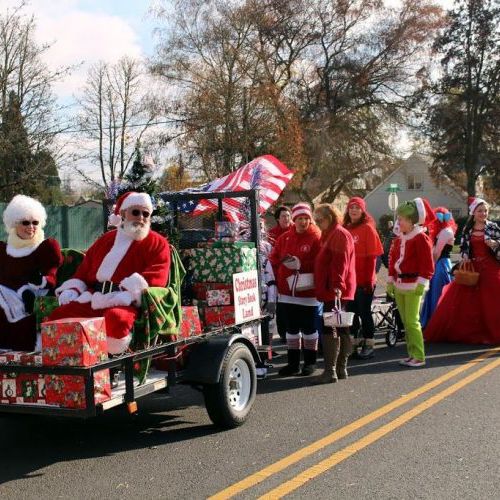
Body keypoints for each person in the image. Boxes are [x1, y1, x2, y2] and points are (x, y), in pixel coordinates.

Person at [48, 192, 171, 354]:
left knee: (117, 319)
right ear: (123, 214)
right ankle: (64, 357)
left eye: (145, 214)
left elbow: (157, 275)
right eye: (135, 212)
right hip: (95, 297)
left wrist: (126, 295)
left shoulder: (157, 242)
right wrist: (73, 289)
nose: (140, 217)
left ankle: (111, 361)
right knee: (61, 315)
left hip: (126, 301)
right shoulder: (105, 240)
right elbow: (84, 270)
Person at [424, 198, 500, 344]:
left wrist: (495, 244)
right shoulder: (468, 229)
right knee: (468, 303)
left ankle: (492, 332)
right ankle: (472, 332)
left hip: (491, 268)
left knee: (492, 302)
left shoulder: (493, 227)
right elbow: (464, 247)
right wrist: (465, 257)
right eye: (480, 211)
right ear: (473, 213)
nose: (483, 213)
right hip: (472, 268)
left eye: (485, 211)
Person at [0, 195, 63, 351]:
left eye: (35, 222)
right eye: (25, 222)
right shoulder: (3, 250)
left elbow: (52, 276)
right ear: (14, 224)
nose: (31, 227)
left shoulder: (45, 247)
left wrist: (40, 280)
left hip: (33, 295)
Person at [269, 202, 322, 376]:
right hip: (287, 292)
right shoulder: (285, 238)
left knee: (309, 328)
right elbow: (274, 257)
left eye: (306, 218)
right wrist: (285, 261)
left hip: (308, 293)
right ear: (294, 219)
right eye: (299, 218)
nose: (302, 222)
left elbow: (320, 262)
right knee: (291, 330)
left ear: (310, 219)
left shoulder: (316, 237)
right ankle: (293, 364)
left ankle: (310, 363)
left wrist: (301, 264)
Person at [387, 198, 435, 367]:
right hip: (400, 284)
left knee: (412, 321)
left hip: (414, 284)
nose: (398, 222)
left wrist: (422, 283)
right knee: (405, 321)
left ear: (411, 220)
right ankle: (411, 353)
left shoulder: (420, 238)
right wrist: (391, 280)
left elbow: (427, 264)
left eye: (401, 219)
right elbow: (393, 259)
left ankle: (419, 356)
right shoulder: (400, 238)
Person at [312, 204, 356, 384]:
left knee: (331, 327)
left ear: (329, 217)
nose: (317, 223)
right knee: (341, 326)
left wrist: (338, 285)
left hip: (336, 289)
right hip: (335, 288)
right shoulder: (332, 234)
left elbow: (341, 262)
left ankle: (332, 370)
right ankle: (339, 369)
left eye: (319, 219)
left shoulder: (338, 234)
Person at [343, 197, 383, 359]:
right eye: (351, 207)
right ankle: (353, 345)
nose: (354, 210)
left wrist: (368, 280)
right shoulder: (345, 228)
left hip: (364, 281)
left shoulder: (368, 229)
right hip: (349, 282)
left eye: (357, 208)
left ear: (362, 211)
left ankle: (369, 344)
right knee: (351, 314)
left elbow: (373, 258)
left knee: (364, 313)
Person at [420, 207, 457, 328]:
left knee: (438, 294)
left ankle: (438, 324)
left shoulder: (446, 231)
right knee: (435, 293)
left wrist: (429, 265)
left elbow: (436, 253)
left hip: (441, 265)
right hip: (440, 264)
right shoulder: (444, 231)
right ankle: (434, 323)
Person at [268, 205, 292, 342]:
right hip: (277, 274)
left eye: (288, 216)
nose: (286, 218)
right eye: (283, 216)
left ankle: (294, 331)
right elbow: (271, 256)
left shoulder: (296, 231)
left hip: (294, 275)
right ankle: (283, 334)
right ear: (277, 219)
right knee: (281, 306)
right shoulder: (272, 234)